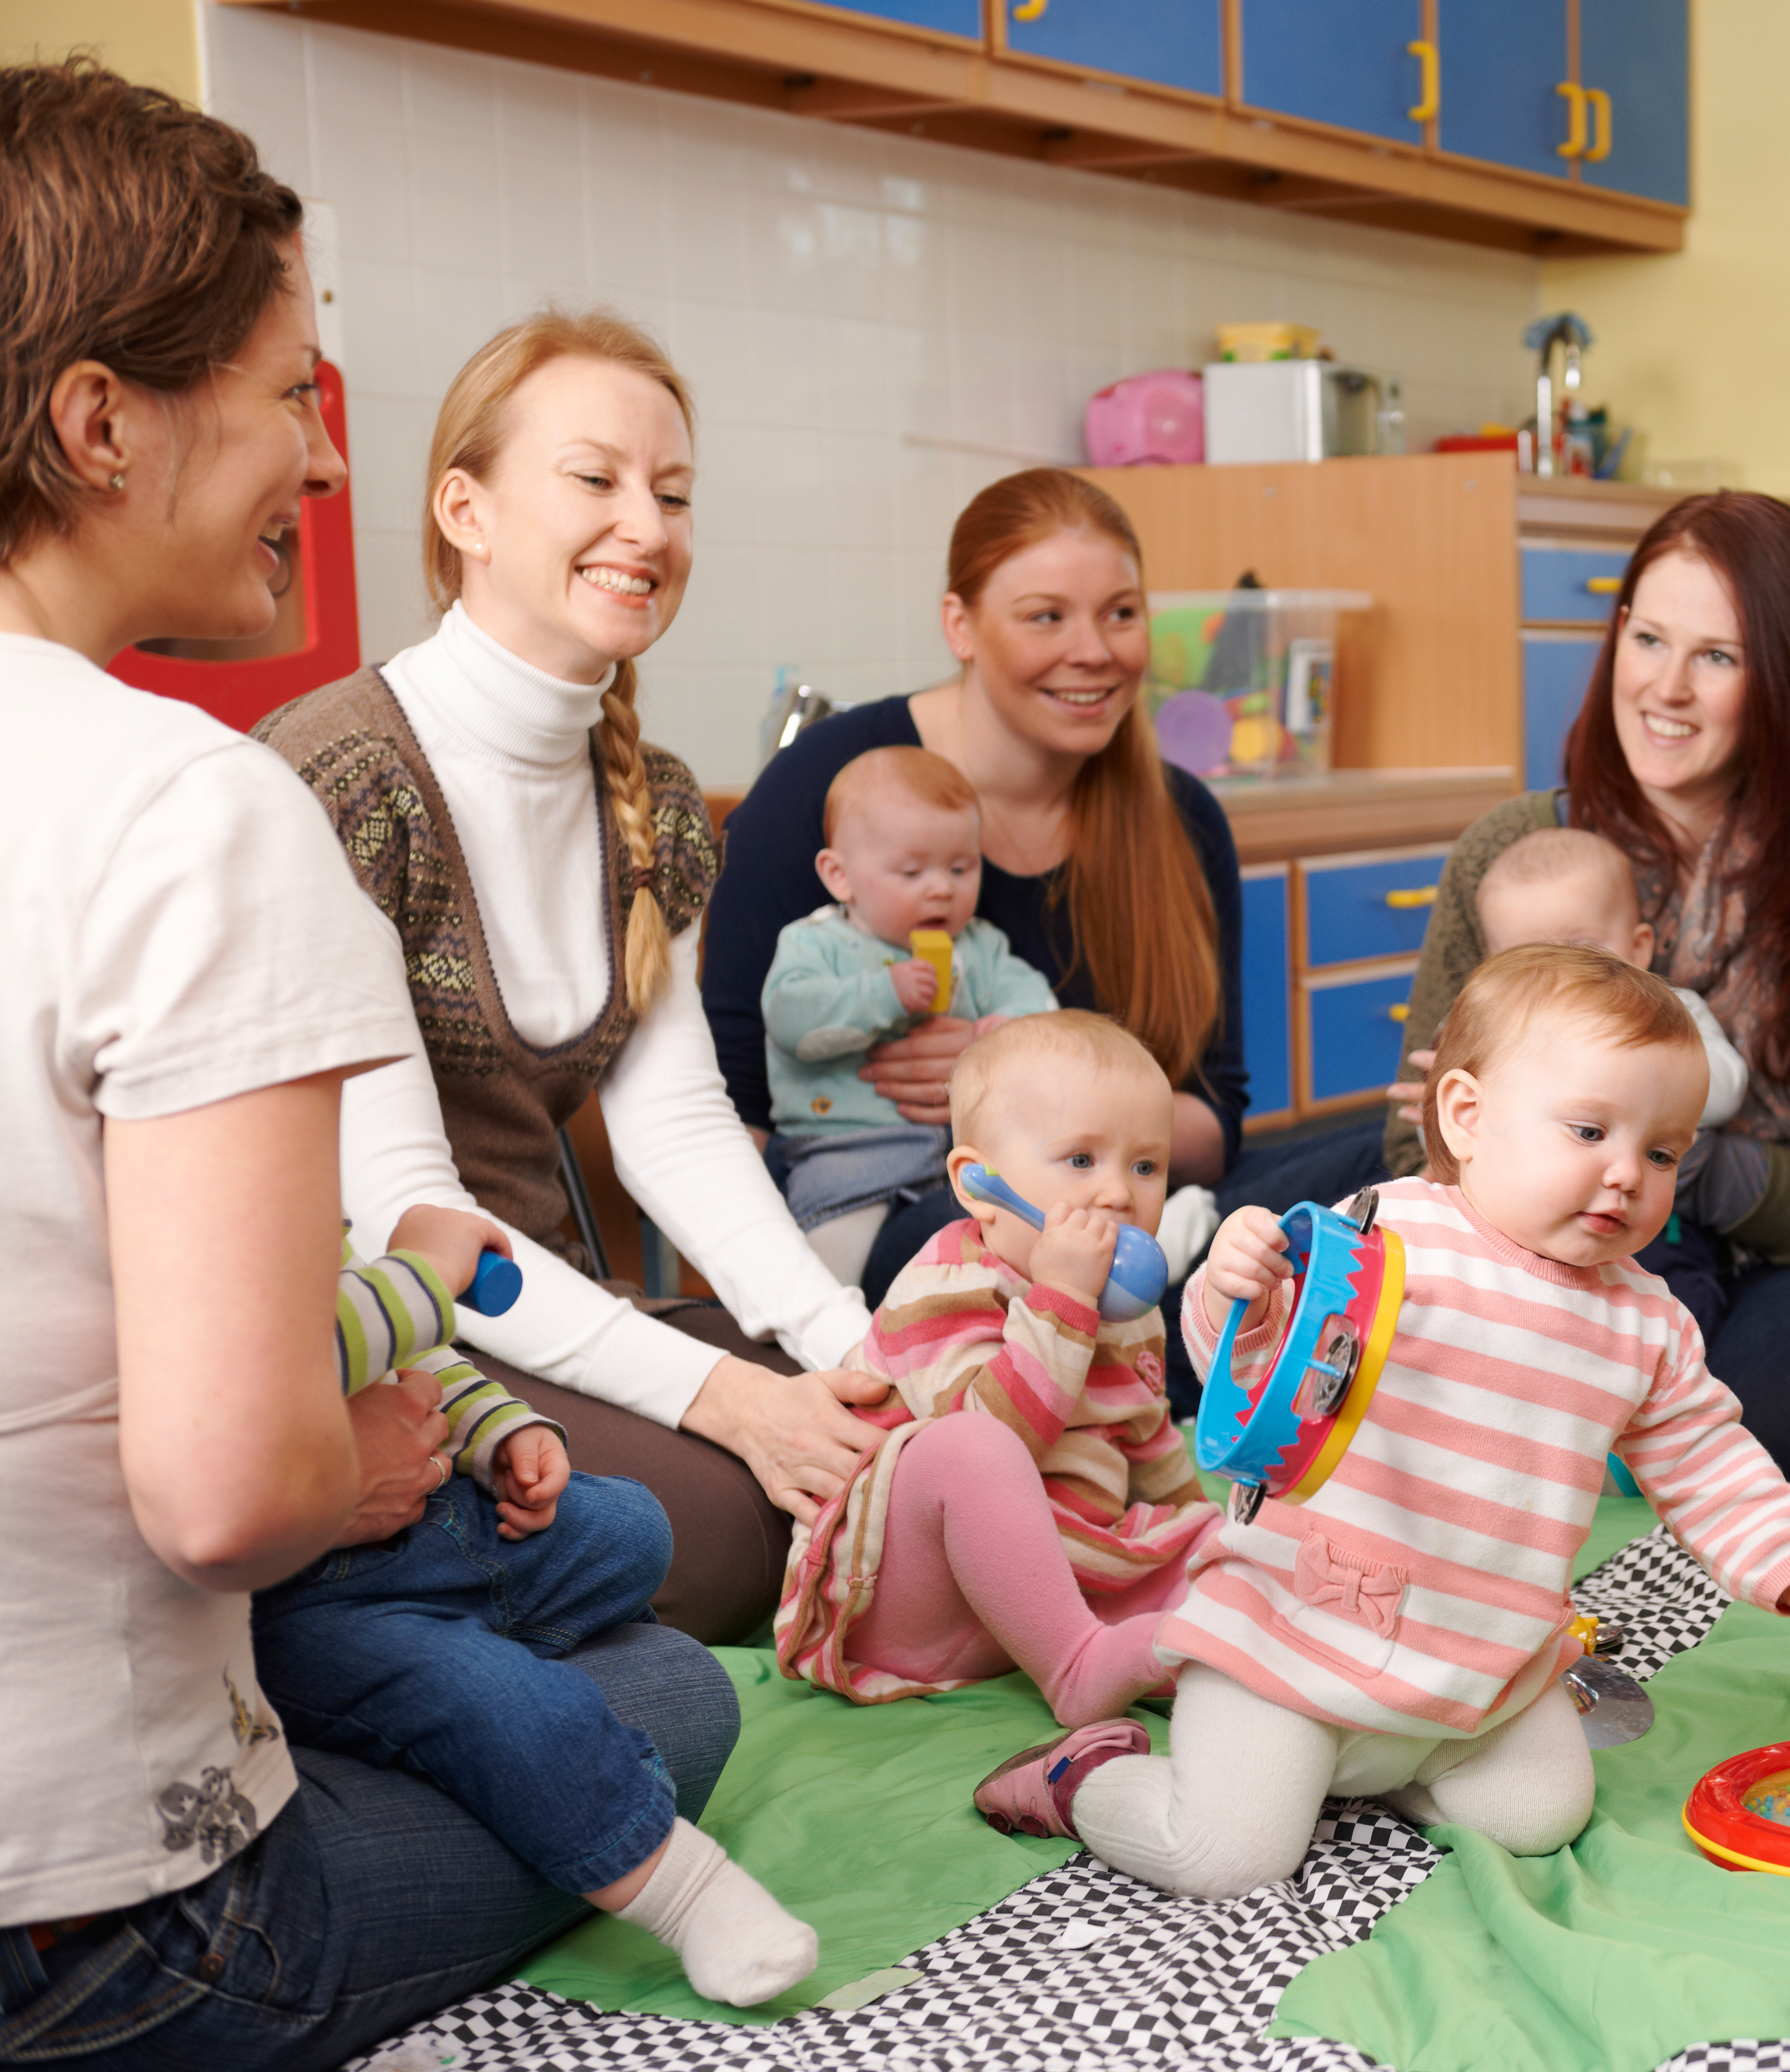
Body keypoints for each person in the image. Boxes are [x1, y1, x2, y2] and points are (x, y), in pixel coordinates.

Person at [0, 61, 734, 2068]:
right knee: (664, 1694)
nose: (322, 463)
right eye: (282, 395)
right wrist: (378, 1458)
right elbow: (235, 1486)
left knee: (593, 1558)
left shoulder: (647, 788)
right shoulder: (217, 797)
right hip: (92, 1918)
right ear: (98, 424)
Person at [974, 947, 1790, 1886]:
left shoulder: (1644, 1323)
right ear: (1467, 1116)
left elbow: (1709, 1459)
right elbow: (1247, 1384)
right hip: (1291, 1635)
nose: (1627, 1175)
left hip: (1477, 1669)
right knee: (1226, 1858)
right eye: (1588, 1131)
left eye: (1662, 1153)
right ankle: (1086, 1776)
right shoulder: (1389, 1235)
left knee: (1541, 1815)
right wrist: (1236, 1292)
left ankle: (1368, 1771)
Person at [255, 310, 889, 1645]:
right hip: (382, 1333)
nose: (647, 528)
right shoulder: (346, 776)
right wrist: (730, 1399)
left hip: (551, 1298)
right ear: (466, 510)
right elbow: (408, 1214)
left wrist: (849, 1347)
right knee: (727, 1527)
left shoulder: (651, 798)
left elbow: (675, 1128)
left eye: (671, 494)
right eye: (595, 479)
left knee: (871, 1418)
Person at [1383, 492, 1790, 1511]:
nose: (1666, 688)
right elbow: (1417, 1138)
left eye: (1718, 658)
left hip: (1787, 1257)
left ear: (1787, 681)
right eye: (1648, 638)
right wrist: (1575, 1163)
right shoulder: (1516, 855)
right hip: (1545, 1220)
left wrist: (1654, 1154)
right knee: (1301, 1238)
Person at [705, 469, 1247, 1318]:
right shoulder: (828, 785)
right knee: (1054, 1277)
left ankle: (1181, 1308)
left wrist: (1024, 1096)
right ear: (959, 625)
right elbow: (729, 1105)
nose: (1095, 650)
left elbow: (1216, 1121)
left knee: (1373, 1187)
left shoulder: (1182, 819)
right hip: (883, 1208)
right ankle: (1175, 1329)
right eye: (1045, 616)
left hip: (1130, 1207)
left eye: (1120, 612)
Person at [256, 1214, 818, 2008]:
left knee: (629, 1527)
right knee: (497, 1694)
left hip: (396, 1519)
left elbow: (408, 1348)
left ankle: (485, 1693)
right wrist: (425, 1268)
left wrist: (496, 1426)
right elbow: (276, 1352)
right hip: (287, 1593)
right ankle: (685, 1889)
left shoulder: (286, 1179)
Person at [772, 1012, 1218, 1730]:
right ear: (979, 1185)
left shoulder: (1130, 1309)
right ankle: (1075, 1667)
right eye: (1080, 1160)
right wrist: (1063, 1300)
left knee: (1223, 1549)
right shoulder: (945, 1286)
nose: (1117, 1194)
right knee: (967, 1447)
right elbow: (1000, 1437)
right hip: (911, 1596)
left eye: (1145, 1166)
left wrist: (1201, 1535)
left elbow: (1148, 1439)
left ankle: (1217, 1648)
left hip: (1055, 1584)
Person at [761, 744, 1059, 1277]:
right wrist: (884, 992)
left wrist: (1010, 1029)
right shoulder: (815, 944)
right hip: (844, 1150)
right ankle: (832, 1338)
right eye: (912, 870)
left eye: (960, 866)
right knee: (830, 1265)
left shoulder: (980, 946)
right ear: (840, 875)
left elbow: (1037, 999)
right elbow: (790, 1020)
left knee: (1014, 1232)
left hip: (962, 1154)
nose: (941, 886)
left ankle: (1091, 1269)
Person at [1475, 824, 1755, 1331]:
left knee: (1684, 1306)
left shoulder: (1671, 1015)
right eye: (1528, 959)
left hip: (1650, 1229)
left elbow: (1728, 1090)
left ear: (1639, 946)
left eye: (1582, 949)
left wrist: (1650, 1071)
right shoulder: (1498, 1022)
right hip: (1513, 1220)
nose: (1563, 975)